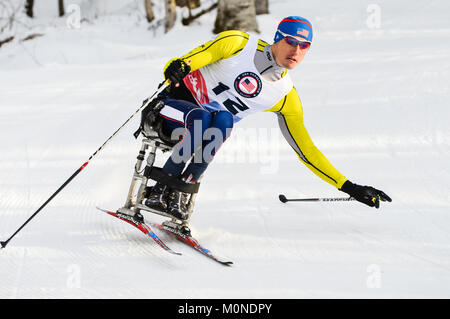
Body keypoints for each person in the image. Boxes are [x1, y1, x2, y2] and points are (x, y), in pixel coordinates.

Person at [142, 16, 392, 223]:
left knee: (223, 122)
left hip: (203, 127)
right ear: (276, 38)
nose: (296, 50)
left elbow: (307, 150)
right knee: (204, 117)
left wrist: (350, 187)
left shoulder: (284, 95)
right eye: (291, 41)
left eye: (304, 46)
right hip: (164, 112)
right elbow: (185, 61)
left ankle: (179, 193)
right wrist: (176, 67)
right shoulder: (238, 44)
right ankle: (161, 189)